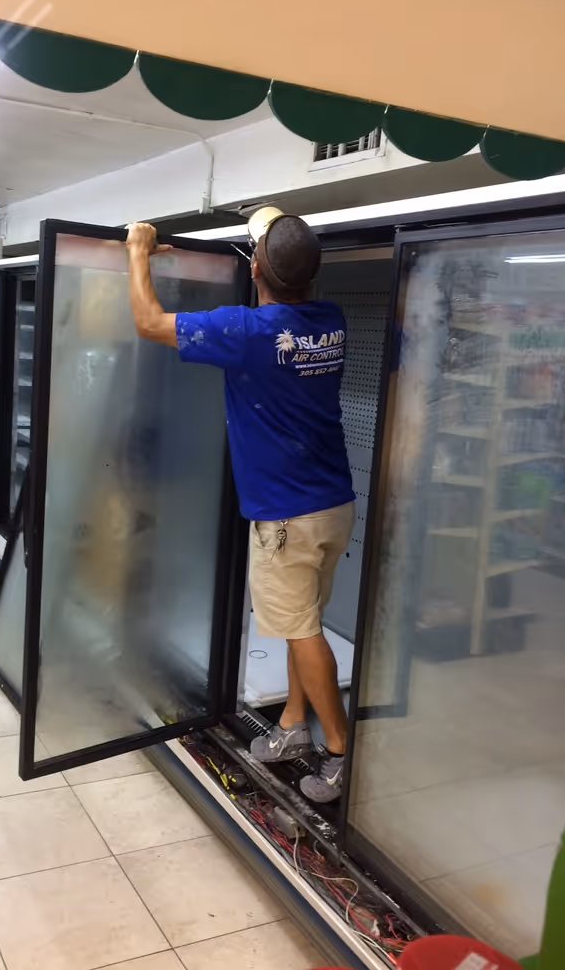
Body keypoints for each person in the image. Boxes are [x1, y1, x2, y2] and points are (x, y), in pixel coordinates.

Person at [125, 217, 355, 802]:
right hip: (333, 505)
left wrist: (138, 249)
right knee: (303, 623)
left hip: (285, 517)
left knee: (300, 629)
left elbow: (149, 322)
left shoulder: (248, 331)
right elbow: (285, 268)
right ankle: (290, 728)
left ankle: (339, 754)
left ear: (254, 270)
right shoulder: (331, 321)